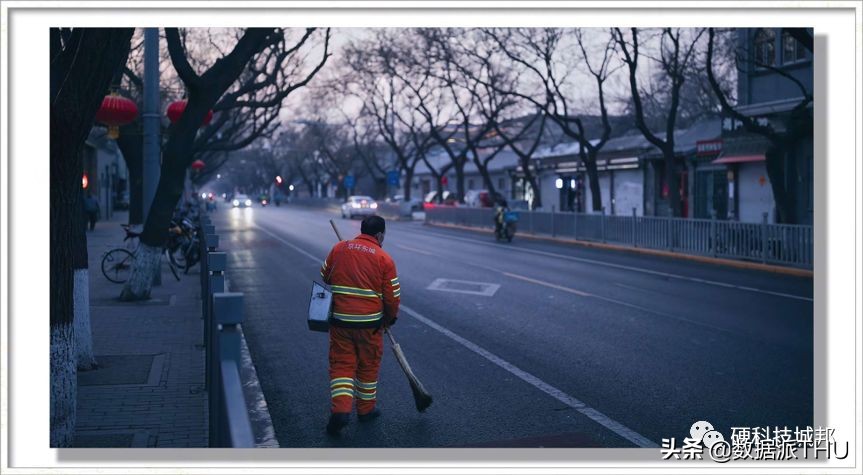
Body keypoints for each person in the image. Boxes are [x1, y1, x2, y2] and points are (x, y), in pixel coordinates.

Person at [319, 215, 400, 436]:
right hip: (370, 326)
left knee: (342, 366)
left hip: (341, 322)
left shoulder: (339, 249)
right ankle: (365, 411)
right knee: (368, 366)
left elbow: (324, 276)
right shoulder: (385, 259)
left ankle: (341, 411)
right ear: (380, 235)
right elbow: (392, 298)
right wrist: (389, 319)